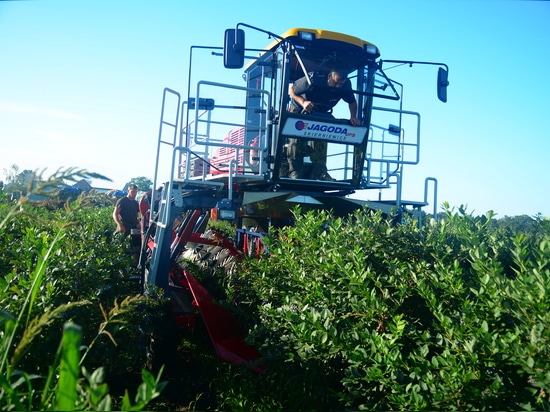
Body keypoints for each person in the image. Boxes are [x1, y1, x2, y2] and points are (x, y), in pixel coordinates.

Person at [287, 70, 360, 180]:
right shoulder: (313, 79)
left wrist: (353, 116)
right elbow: (291, 89)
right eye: (335, 83)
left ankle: (320, 173)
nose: (338, 86)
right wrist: (303, 102)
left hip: (321, 113)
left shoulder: (345, 85)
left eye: (340, 84)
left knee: (321, 139)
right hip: (299, 110)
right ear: (329, 76)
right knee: (296, 139)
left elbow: (352, 101)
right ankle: (295, 172)